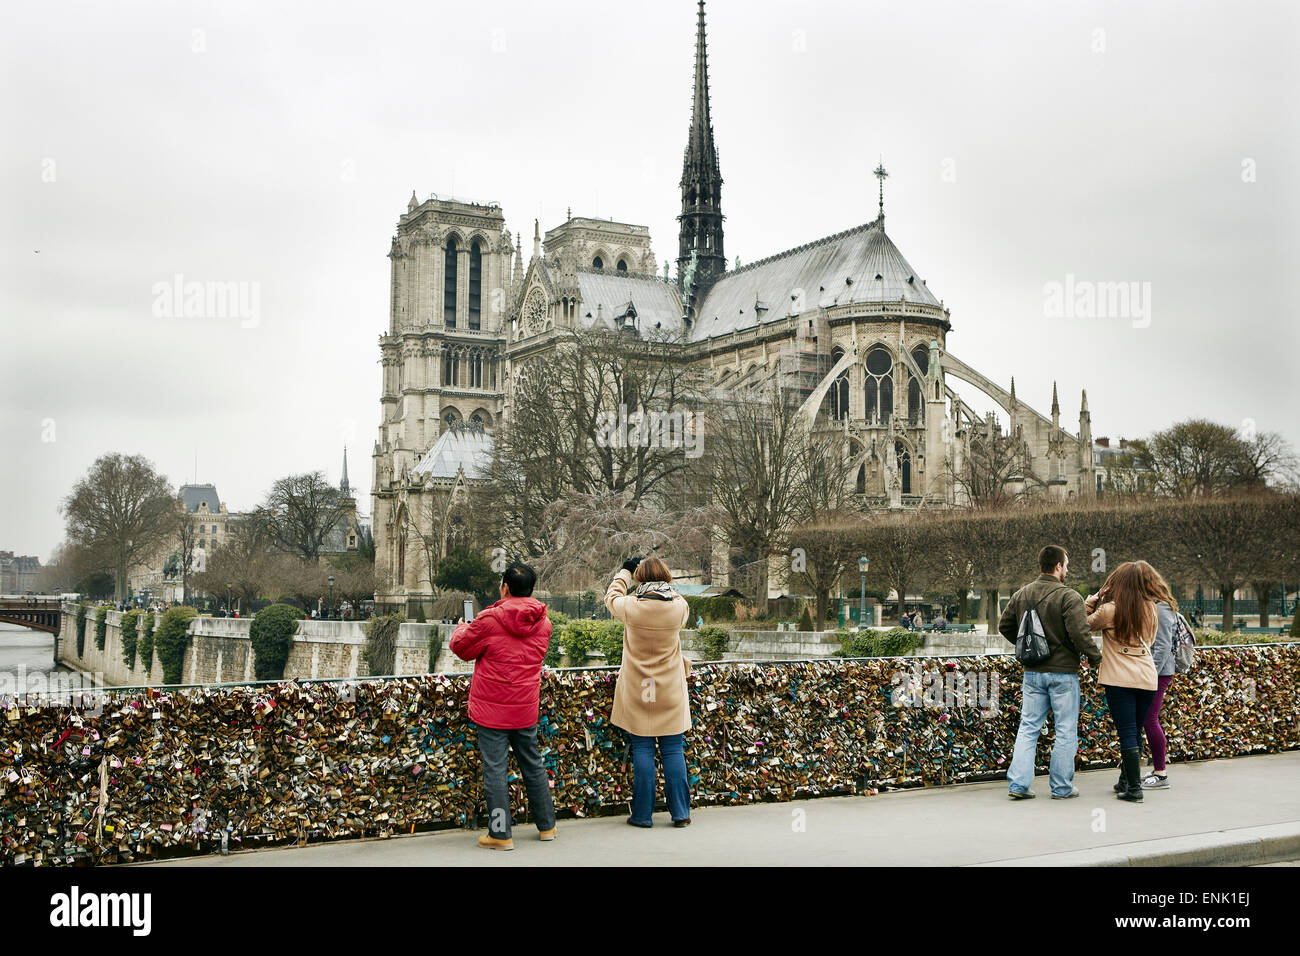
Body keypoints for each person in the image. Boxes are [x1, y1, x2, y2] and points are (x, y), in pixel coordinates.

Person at [450, 562, 557, 850]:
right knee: (533, 764)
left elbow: (462, 650)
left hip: (492, 709)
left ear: (505, 587)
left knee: (495, 770)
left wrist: (462, 627)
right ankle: (547, 826)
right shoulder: (543, 623)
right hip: (524, 706)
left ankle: (500, 833)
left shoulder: (489, 620)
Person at [999, 544, 1102, 800]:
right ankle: (1061, 788)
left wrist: (1030, 647)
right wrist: (1096, 658)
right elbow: (1080, 634)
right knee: (1066, 729)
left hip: (1033, 672)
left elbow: (1005, 626)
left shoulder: (1021, 594)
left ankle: (1018, 785)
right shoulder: (1069, 597)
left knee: (1029, 727)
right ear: (1058, 566)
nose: (1067, 569)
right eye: (1066, 564)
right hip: (1063, 673)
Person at [606, 556, 693, 828]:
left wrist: (625, 572)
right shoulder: (679, 607)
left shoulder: (632, 607)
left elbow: (611, 597)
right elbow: (674, 596)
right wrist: (663, 584)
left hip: (638, 688)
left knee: (642, 747)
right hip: (669, 689)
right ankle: (680, 813)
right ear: (667, 579)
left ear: (640, 580)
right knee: (672, 750)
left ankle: (642, 815)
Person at [1085, 561, 1161, 803]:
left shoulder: (1110, 610)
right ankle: (1126, 781)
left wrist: (1092, 600)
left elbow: (1081, 624)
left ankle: (1134, 789)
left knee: (1127, 732)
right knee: (1136, 730)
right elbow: (1151, 639)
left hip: (1120, 678)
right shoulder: (1151, 608)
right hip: (1147, 677)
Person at [1138, 568, 1179, 790]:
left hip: (1159, 673)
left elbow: (1162, 645)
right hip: (1157, 671)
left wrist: (1149, 672)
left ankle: (1161, 773)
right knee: (1148, 719)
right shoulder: (1157, 605)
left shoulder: (1161, 608)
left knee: (1150, 719)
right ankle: (1157, 769)